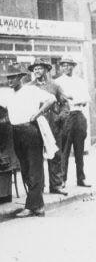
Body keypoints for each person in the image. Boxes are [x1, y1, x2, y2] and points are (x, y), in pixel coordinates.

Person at [0, 65, 56, 217]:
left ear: (20, 78)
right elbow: (0, 109)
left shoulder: (30, 90)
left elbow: (52, 99)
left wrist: (38, 113)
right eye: (8, 78)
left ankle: (31, 206)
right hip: (15, 132)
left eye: (12, 77)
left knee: (34, 168)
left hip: (30, 130)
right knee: (25, 169)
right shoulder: (8, 95)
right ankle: (38, 205)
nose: (9, 80)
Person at [27, 59, 68, 196]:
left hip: (53, 124)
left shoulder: (55, 86)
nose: (37, 71)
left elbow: (65, 104)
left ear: (46, 69)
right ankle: (39, 187)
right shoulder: (29, 87)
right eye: (35, 69)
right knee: (36, 156)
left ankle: (56, 185)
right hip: (36, 125)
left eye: (39, 68)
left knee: (55, 154)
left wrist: (60, 117)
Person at [55, 57, 91, 188]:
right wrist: (73, 99)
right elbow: (59, 101)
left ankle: (80, 178)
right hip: (66, 116)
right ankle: (62, 179)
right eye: (64, 65)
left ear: (73, 67)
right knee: (64, 150)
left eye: (69, 65)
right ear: (61, 67)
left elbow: (86, 99)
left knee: (79, 149)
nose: (67, 68)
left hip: (79, 115)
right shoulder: (57, 82)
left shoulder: (80, 81)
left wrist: (72, 99)